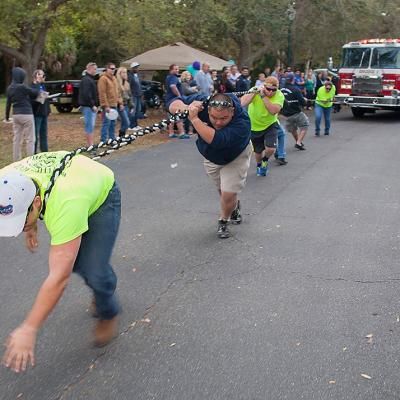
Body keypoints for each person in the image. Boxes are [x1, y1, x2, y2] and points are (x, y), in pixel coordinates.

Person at [0, 151, 121, 373]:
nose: (16, 231)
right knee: (77, 262)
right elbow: (22, 203)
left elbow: (58, 278)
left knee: (93, 269)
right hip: (71, 186)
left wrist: (29, 328)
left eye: (21, 221)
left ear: (36, 202)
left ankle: (108, 310)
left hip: (100, 195)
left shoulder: (66, 203)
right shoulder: (6, 180)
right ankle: (102, 281)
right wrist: (29, 224)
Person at [168, 93, 252, 239]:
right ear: (208, 110)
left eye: (224, 118)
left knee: (228, 193)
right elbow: (172, 103)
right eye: (214, 118)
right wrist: (188, 107)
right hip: (211, 158)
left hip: (236, 156)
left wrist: (194, 119)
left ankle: (223, 220)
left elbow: (218, 140)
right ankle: (234, 206)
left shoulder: (242, 122)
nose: (218, 122)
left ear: (232, 111)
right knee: (222, 191)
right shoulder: (204, 102)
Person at [241, 76, 284, 177]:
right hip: (254, 126)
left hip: (270, 124)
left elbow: (273, 111)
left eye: (273, 90)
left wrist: (263, 96)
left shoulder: (279, 95)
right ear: (264, 86)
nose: (270, 92)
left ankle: (265, 160)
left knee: (270, 149)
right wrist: (254, 92)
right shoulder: (255, 90)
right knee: (258, 151)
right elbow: (242, 103)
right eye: (268, 89)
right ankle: (259, 165)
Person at [5, 67, 39, 161]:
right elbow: (34, 93)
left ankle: (16, 161)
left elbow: (8, 104)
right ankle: (30, 160)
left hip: (15, 115)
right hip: (27, 114)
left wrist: (7, 117)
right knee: (30, 139)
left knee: (17, 139)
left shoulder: (9, 88)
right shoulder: (22, 87)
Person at [281, 72, 309, 150]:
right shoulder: (296, 89)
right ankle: (298, 142)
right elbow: (302, 102)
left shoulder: (281, 89)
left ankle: (298, 142)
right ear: (293, 79)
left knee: (293, 129)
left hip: (286, 114)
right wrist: (305, 100)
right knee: (305, 125)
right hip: (296, 112)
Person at [97, 62, 122, 142]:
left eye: (114, 69)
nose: (113, 70)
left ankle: (112, 139)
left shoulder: (114, 79)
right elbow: (102, 93)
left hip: (114, 104)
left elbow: (117, 92)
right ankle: (103, 140)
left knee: (113, 123)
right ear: (107, 69)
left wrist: (120, 103)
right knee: (106, 123)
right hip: (108, 105)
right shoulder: (103, 78)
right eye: (111, 68)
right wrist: (105, 105)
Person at [164, 64, 190, 139]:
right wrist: (179, 95)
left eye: (178, 69)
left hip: (168, 100)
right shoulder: (174, 78)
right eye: (175, 69)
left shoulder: (168, 77)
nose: (177, 70)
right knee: (179, 115)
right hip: (174, 99)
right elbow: (173, 86)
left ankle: (171, 133)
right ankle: (181, 133)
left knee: (171, 117)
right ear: (171, 70)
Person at [78, 62, 98, 147]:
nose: (95, 71)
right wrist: (92, 105)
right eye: (94, 69)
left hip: (90, 107)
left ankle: (91, 144)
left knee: (91, 126)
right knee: (89, 126)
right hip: (88, 107)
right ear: (89, 69)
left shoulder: (90, 79)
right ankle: (90, 145)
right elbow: (86, 94)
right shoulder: (86, 80)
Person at [31, 69, 50, 154]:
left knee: (44, 134)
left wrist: (48, 110)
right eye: (41, 75)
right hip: (36, 114)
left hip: (44, 113)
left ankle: (45, 152)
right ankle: (34, 152)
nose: (43, 77)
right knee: (35, 134)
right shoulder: (32, 86)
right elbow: (32, 99)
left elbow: (46, 99)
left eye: (43, 75)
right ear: (36, 76)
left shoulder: (42, 85)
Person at [116, 67, 133, 137]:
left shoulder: (127, 83)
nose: (125, 74)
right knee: (127, 122)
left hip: (126, 105)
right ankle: (121, 134)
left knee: (124, 122)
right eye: (123, 72)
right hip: (119, 105)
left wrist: (132, 106)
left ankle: (122, 136)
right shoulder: (116, 83)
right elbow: (117, 94)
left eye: (125, 72)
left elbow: (130, 95)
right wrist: (120, 103)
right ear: (119, 73)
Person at [128, 61, 143, 130]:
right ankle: (131, 126)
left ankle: (136, 124)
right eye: (136, 68)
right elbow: (129, 86)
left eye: (137, 67)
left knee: (138, 110)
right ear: (132, 68)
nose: (137, 69)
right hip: (133, 95)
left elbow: (139, 85)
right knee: (133, 111)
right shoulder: (130, 76)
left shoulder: (138, 75)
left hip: (139, 95)